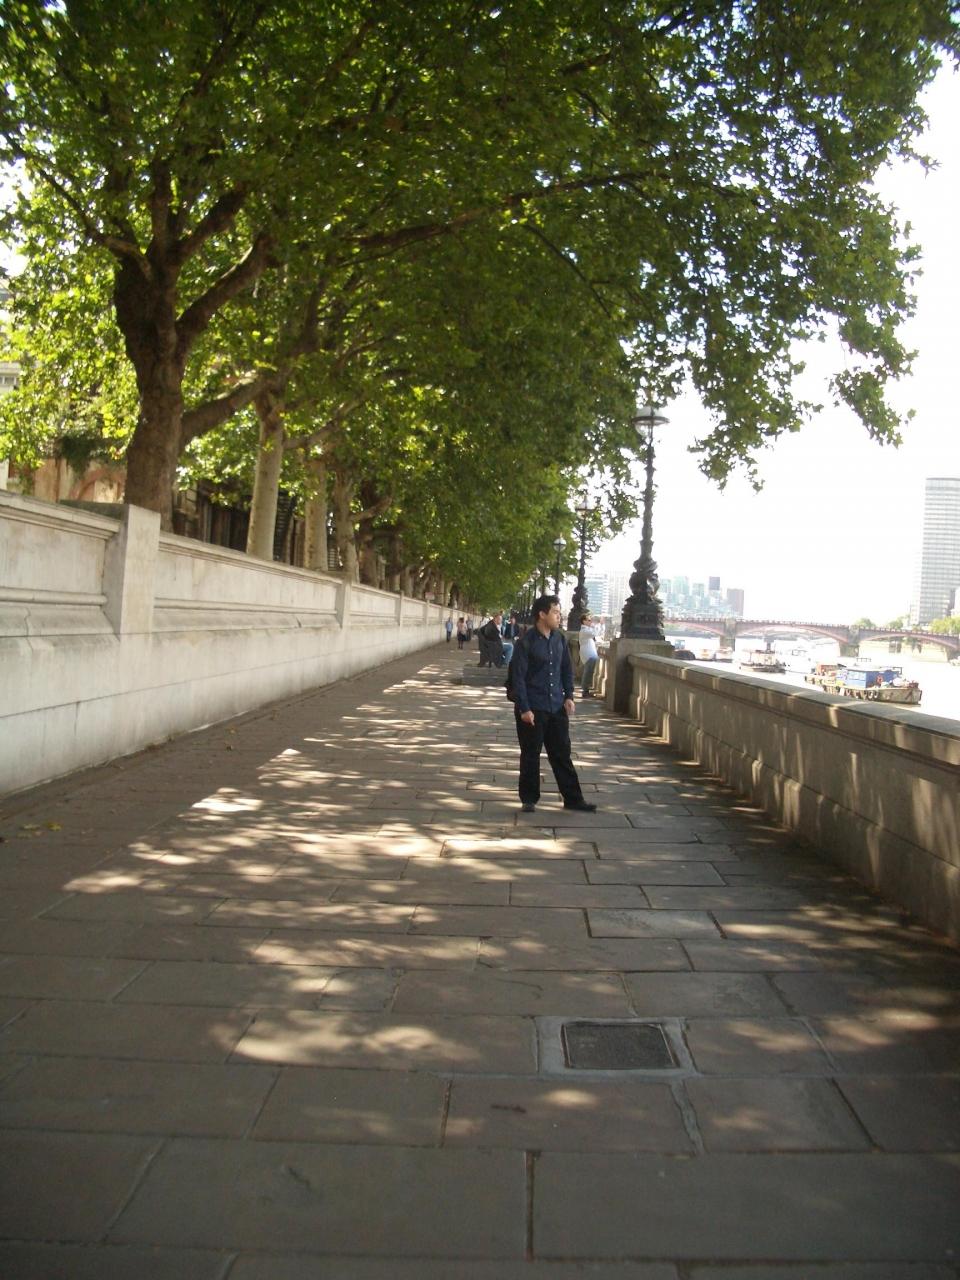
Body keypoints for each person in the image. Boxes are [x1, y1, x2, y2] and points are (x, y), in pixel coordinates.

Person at [509, 594, 596, 814]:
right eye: (555, 612)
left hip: (556, 705)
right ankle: (529, 799)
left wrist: (569, 696)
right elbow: (518, 678)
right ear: (542, 614)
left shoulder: (559, 639)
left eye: (559, 612)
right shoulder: (525, 642)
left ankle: (573, 799)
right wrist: (524, 708)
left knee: (562, 754)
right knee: (531, 755)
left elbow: (566, 669)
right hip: (533, 708)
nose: (559, 616)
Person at [578, 613, 599, 697]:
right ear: (584, 621)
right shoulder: (584, 631)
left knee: (589, 672)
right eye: (589, 620)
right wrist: (595, 626)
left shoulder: (586, 630)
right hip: (588, 655)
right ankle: (585, 691)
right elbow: (595, 633)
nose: (591, 622)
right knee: (588, 673)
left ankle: (586, 690)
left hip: (589, 654)